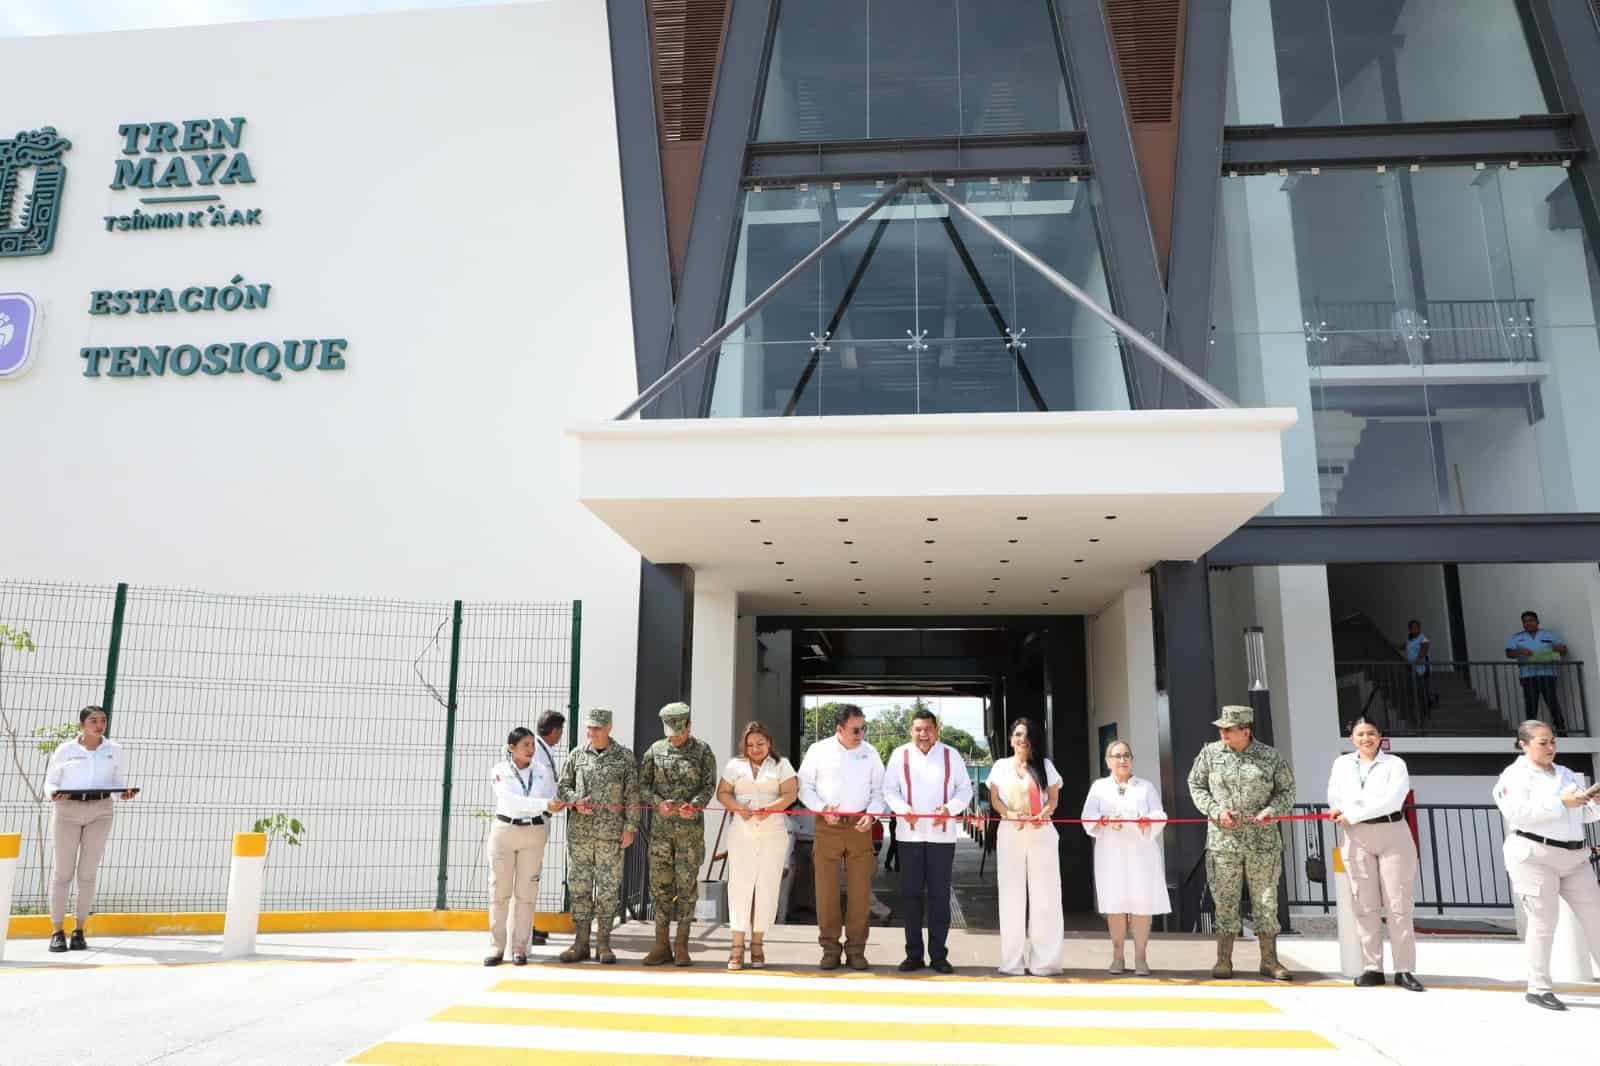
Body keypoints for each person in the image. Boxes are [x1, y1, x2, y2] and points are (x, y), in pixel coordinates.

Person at [1492, 719, 1600, 1010]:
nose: (1551, 747)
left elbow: (1584, 816)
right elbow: (1517, 813)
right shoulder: (1513, 776)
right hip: (1535, 855)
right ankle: (1538, 988)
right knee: (1543, 923)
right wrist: (1561, 803)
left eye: (1553, 741)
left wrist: (1593, 804)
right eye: (1543, 742)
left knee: (1596, 917)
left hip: (1575, 856)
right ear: (1524, 744)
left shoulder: (1566, 774)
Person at [1187, 704, 1296, 981]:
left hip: (1263, 842)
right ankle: (1223, 959)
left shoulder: (1270, 756)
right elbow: (1196, 785)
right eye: (1221, 728)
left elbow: (1287, 790)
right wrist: (1216, 811)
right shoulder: (1210, 754)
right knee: (1225, 900)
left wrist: (1272, 811)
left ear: (1246, 731)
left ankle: (1269, 960)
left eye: (1229, 729)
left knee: (1266, 901)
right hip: (1223, 842)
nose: (1222, 732)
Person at [1326, 717, 1422, 991]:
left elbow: (1392, 800)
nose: (1366, 738)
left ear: (1380, 736)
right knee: (1364, 903)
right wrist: (1337, 809)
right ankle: (1373, 967)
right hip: (1355, 836)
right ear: (1351, 739)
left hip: (1392, 833)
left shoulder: (1395, 764)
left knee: (1398, 904)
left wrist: (1353, 814)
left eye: (1371, 733)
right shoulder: (1342, 764)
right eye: (1360, 734)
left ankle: (1404, 969)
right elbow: (1334, 794)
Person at [882, 708, 974, 974]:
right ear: (911, 731)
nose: (923, 734)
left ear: (937, 730)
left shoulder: (951, 755)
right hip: (909, 836)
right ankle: (913, 954)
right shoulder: (900, 754)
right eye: (918, 729)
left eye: (928, 729)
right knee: (911, 896)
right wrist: (902, 809)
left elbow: (965, 789)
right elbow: (889, 789)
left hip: (941, 837)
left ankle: (938, 955)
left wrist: (949, 808)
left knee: (939, 896)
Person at [797, 703, 884, 971]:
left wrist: (872, 814)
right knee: (826, 892)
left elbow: (879, 791)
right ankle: (830, 949)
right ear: (839, 729)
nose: (861, 734)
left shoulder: (870, 753)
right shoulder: (818, 750)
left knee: (860, 893)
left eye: (863, 728)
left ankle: (856, 950)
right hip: (828, 825)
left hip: (860, 826)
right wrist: (822, 808)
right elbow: (804, 786)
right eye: (855, 730)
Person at [43, 705, 136, 952]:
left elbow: (117, 782)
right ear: (82, 724)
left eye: (103, 720)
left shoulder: (114, 750)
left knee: (87, 873)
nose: (99, 725)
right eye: (93, 720)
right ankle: (57, 931)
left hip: (101, 811)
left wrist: (123, 793)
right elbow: (50, 781)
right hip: (67, 810)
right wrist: (54, 794)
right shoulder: (66, 750)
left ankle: (79, 931)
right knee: (63, 872)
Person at [554, 707, 638, 964]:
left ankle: (604, 943)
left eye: (598, 728)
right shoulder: (577, 755)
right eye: (589, 727)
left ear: (609, 728)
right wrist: (576, 801)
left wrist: (630, 827)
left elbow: (632, 794)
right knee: (579, 887)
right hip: (580, 835)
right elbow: (562, 787)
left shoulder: (624, 757)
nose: (592, 732)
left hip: (610, 836)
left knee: (607, 890)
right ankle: (580, 942)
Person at [638, 702, 719, 967]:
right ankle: (661, 945)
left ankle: (682, 945)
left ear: (689, 726)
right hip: (661, 834)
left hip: (689, 834)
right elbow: (642, 785)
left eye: (680, 732)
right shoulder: (655, 751)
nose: (675, 738)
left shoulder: (703, 751)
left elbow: (709, 785)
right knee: (660, 888)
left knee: (686, 889)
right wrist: (657, 803)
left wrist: (694, 805)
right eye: (671, 733)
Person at [1080, 739, 1169, 975]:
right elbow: (1087, 817)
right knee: (1116, 904)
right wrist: (1106, 821)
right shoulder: (1099, 787)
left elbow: (1160, 814)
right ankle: (1117, 956)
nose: (1123, 760)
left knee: (1141, 905)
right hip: (1111, 854)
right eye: (1117, 756)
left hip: (1141, 854)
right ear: (1107, 761)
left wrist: (1148, 820)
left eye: (1126, 755)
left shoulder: (1145, 787)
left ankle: (1141, 958)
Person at [716, 720, 798, 970]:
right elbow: (723, 793)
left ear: (769, 743)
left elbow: (790, 794)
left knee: (767, 886)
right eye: (750, 744)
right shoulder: (735, 765)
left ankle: (758, 945)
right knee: (740, 886)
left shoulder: (782, 765)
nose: (755, 748)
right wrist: (739, 808)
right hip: (742, 831)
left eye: (760, 743)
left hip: (773, 831)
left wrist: (770, 808)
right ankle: (736, 946)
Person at [988, 717, 1063, 977]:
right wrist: (1010, 814)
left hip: (1041, 832)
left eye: (1027, 734)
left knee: (1046, 896)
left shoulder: (1045, 765)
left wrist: (1044, 813)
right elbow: (995, 800)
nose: (1022, 739)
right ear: (1011, 739)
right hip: (1011, 832)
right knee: (1011, 896)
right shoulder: (1000, 766)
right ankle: (1012, 962)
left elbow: (1053, 799)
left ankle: (1045, 962)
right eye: (1018, 734)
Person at [485, 726, 562, 966]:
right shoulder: (500, 770)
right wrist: (543, 805)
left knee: (526, 894)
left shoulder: (541, 771)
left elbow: (552, 796)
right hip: (505, 832)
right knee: (500, 892)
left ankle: (519, 948)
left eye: (532, 745)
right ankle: (496, 948)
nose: (531, 749)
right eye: (525, 745)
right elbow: (510, 801)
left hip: (533, 833)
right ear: (512, 748)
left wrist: (552, 805)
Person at [528, 709, 565, 947]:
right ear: (553, 730)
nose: (561, 735)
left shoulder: (543, 750)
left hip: (542, 817)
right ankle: (524, 929)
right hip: (534, 819)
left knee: (533, 874)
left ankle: (527, 925)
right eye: (561, 730)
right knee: (528, 875)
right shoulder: (536, 751)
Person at [1505, 611, 1570, 733]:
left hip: (1547, 674)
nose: (1528, 623)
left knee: (1552, 703)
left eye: (1531, 620)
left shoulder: (1548, 634)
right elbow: (1508, 653)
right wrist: (1520, 652)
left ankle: (1562, 731)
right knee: (1531, 705)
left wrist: (1559, 649)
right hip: (1528, 675)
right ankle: (1531, 734)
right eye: (1525, 621)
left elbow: (1563, 649)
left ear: (1537, 621)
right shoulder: (1517, 637)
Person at [1403, 620, 1431, 725]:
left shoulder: (1423, 639)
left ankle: (1425, 714)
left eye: (1416, 627)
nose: (1414, 629)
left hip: (1421, 670)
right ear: (1409, 629)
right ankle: (1419, 714)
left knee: (1422, 692)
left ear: (1419, 628)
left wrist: (1417, 660)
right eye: (1412, 628)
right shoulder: (1409, 639)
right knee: (1415, 693)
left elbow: (1424, 650)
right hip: (1412, 670)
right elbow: (1403, 646)